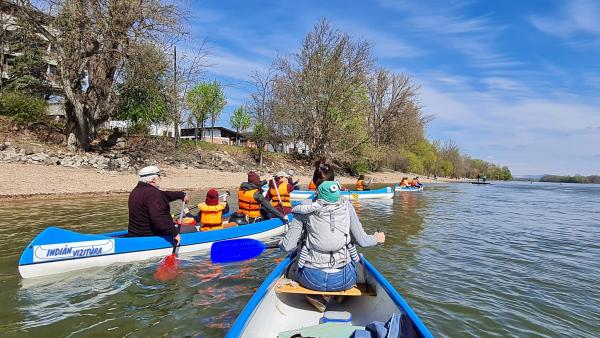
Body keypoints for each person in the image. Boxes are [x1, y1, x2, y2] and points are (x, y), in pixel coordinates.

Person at [279, 181, 385, 310]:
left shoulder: (303, 210)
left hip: (311, 279)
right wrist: (377, 238)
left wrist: (281, 243)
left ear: (317, 194)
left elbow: (287, 246)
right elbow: (363, 241)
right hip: (344, 280)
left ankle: (316, 296)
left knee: (296, 259)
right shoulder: (347, 206)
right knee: (357, 257)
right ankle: (339, 296)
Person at [128, 166, 189, 247]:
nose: (160, 179)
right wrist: (174, 233)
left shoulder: (136, 191)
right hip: (149, 237)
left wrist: (181, 195)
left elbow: (163, 195)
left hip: (134, 234)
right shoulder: (154, 194)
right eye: (159, 177)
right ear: (153, 180)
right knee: (190, 229)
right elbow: (159, 218)